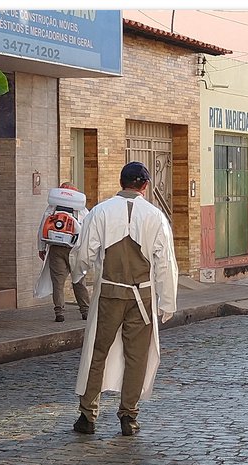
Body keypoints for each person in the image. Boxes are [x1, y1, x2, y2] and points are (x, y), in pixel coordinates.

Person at [69, 162, 179, 436]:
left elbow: (83, 254)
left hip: (108, 293)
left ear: (121, 182)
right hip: (141, 297)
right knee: (136, 357)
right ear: (145, 185)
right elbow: (165, 263)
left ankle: (88, 414)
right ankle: (128, 416)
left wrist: (78, 273)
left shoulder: (100, 212)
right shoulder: (156, 216)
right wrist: (167, 301)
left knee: (97, 353)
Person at [35, 182, 90, 322]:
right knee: (78, 280)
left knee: (58, 282)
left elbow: (42, 227)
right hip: (76, 250)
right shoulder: (81, 209)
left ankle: (59, 312)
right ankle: (85, 311)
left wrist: (41, 248)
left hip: (56, 248)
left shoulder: (52, 208)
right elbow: (89, 229)